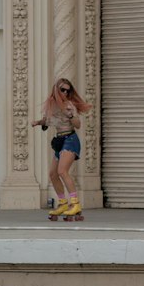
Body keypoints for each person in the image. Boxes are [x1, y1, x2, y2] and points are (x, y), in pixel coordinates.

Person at [31, 76, 90, 218]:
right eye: (62, 90)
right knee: (53, 174)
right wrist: (38, 122)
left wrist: (70, 115)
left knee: (62, 171)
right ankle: (63, 203)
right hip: (59, 140)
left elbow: (78, 125)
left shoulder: (69, 105)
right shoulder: (51, 105)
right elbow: (48, 121)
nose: (65, 93)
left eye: (68, 91)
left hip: (70, 139)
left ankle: (75, 203)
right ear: (56, 90)